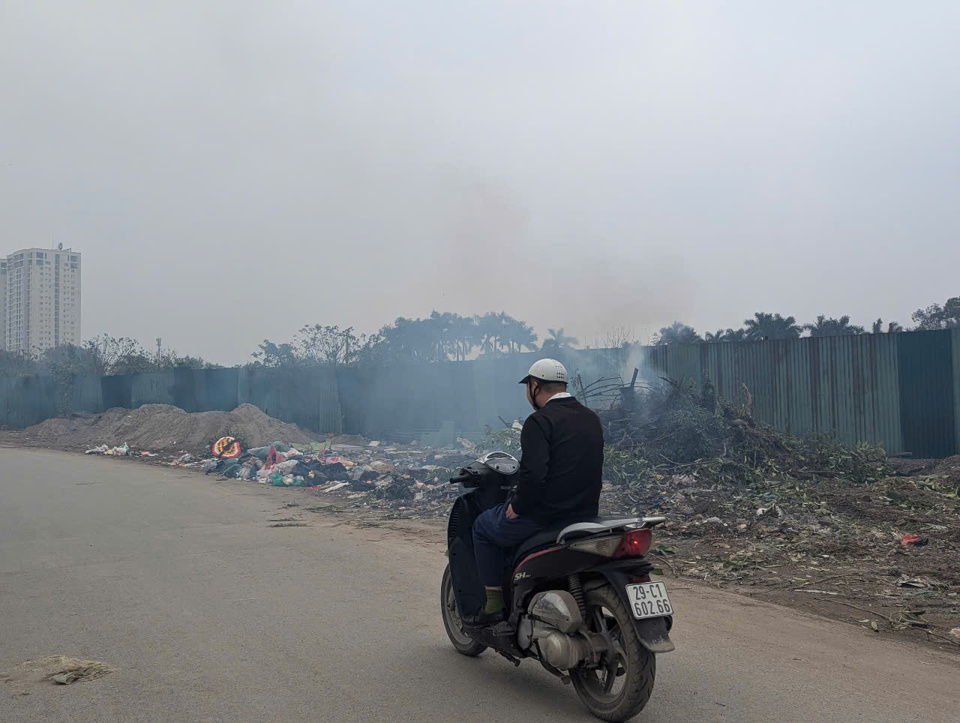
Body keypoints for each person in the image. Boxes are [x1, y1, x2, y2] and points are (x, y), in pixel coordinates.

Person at [470, 358, 604, 624]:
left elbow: (534, 475)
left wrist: (517, 506)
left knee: (483, 526)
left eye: (527, 387)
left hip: (546, 518)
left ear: (534, 386)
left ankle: (494, 605)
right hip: (586, 515)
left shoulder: (539, 421)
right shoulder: (591, 418)